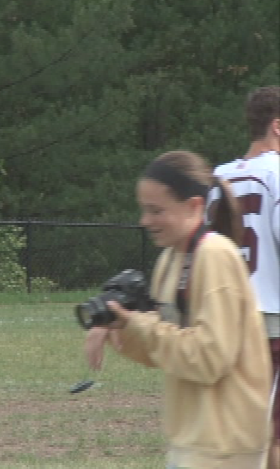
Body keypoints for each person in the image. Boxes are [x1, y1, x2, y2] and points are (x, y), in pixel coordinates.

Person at [84, 150, 272, 468]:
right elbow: (164, 350)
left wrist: (138, 326)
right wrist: (120, 326)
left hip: (224, 444)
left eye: (156, 210)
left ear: (194, 206)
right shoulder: (170, 259)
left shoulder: (214, 256)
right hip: (192, 437)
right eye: (144, 210)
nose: (145, 221)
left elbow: (210, 359)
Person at [211, 85, 280, 468]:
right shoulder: (277, 173)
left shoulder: (218, 177)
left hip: (228, 316)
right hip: (272, 320)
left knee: (247, 428)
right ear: (277, 126)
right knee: (270, 434)